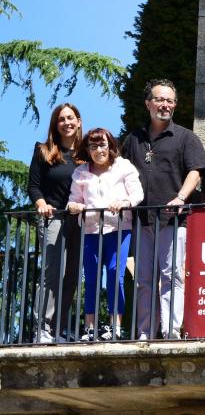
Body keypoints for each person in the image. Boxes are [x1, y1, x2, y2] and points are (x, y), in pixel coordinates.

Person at [122, 78, 205, 340]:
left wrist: (181, 197)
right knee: (143, 280)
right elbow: (120, 173)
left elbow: (196, 171)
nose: (165, 105)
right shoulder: (133, 139)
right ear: (148, 103)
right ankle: (145, 333)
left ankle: (171, 331)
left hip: (173, 220)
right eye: (160, 99)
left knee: (172, 276)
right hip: (142, 220)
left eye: (170, 101)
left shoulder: (185, 137)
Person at [66, 128, 143, 341]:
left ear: (110, 147)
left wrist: (124, 202)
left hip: (119, 229)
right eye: (93, 146)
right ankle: (89, 327)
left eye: (102, 145)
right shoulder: (80, 172)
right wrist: (74, 206)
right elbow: (74, 199)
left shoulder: (123, 167)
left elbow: (137, 194)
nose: (99, 150)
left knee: (115, 274)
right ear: (87, 149)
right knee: (91, 277)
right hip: (91, 230)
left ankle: (114, 326)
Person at [28, 103, 83, 343]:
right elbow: (33, 185)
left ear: (78, 122)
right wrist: (41, 204)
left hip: (80, 221)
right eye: (61, 119)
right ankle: (43, 327)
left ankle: (58, 329)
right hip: (54, 218)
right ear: (55, 124)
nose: (66, 123)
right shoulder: (43, 151)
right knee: (53, 272)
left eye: (70, 118)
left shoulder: (86, 154)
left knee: (72, 275)